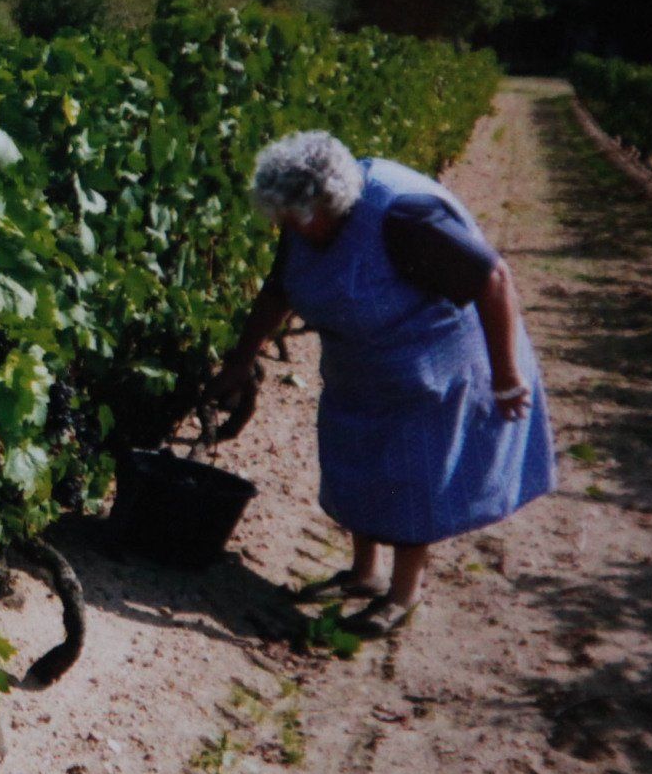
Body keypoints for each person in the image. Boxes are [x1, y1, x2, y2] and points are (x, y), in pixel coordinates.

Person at [210, 131, 554, 636]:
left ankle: (402, 594)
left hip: (431, 360)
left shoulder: (403, 218)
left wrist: (506, 377)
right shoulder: (302, 214)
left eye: (296, 220)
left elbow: (493, 279)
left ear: (331, 204)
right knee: (355, 455)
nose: (289, 228)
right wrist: (241, 360)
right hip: (362, 358)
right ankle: (364, 574)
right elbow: (279, 288)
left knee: (411, 472)